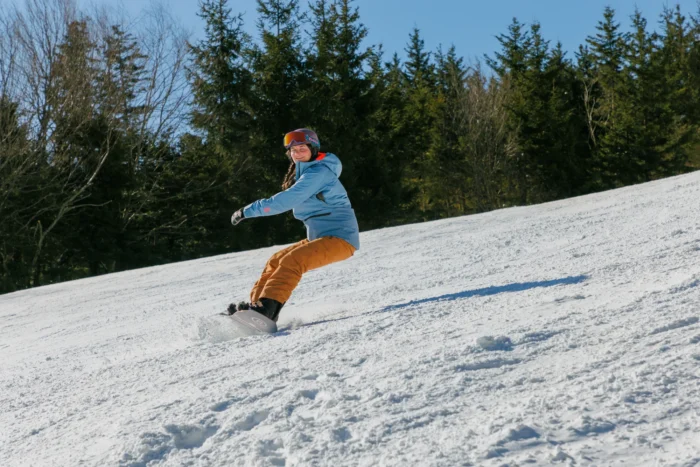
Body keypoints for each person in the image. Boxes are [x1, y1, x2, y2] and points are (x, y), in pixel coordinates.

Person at [228, 128, 360, 322]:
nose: (297, 153)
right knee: (276, 260)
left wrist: (247, 211)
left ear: (313, 149)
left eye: (302, 148)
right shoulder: (307, 172)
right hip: (322, 237)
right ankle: (256, 307)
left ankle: (267, 310)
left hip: (341, 238)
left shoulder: (318, 173)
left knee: (293, 260)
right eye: (293, 150)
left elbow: (285, 200)